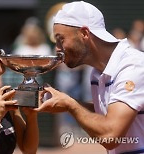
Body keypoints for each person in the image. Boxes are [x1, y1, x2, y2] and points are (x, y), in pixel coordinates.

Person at [36, 1, 144, 154]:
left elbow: (110, 136)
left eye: (61, 40)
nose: (57, 49)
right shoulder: (97, 72)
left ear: (85, 34)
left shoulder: (133, 66)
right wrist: (66, 102)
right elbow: (108, 112)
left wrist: (71, 105)